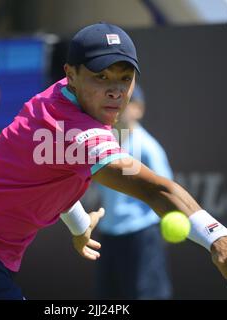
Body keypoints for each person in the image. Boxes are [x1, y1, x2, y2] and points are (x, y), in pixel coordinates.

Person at [0, 22, 227, 300]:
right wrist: (219, 238)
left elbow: (52, 172)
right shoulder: (78, 132)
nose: (115, 91)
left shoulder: (56, 100)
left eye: (125, 79)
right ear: (72, 74)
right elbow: (156, 190)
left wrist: (80, 229)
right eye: (101, 76)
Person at [96, 84, 173, 299]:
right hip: (109, 235)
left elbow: (166, 191)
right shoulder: (104, 143)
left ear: (139, 109)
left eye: (126, 103)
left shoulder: (148, 148)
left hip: (142, 235)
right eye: (114, 103)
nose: (118, 108)